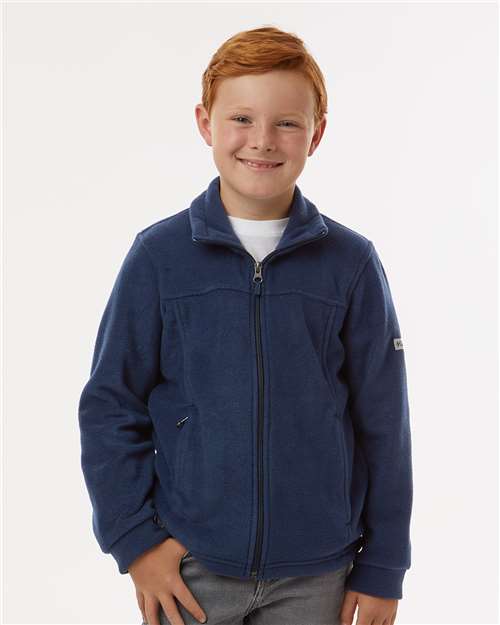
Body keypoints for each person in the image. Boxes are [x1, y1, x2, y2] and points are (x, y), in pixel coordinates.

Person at [78, 25, 413, 625]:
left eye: (286, 122)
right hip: (190, 569)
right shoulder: (158, 257)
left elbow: (384, 425)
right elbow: (110, 406)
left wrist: (385, 565)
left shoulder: (351, 264)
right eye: (241, 119)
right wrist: (135, 542)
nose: (262, 140)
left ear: (317, 133)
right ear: (205, 123)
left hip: (319, 574)